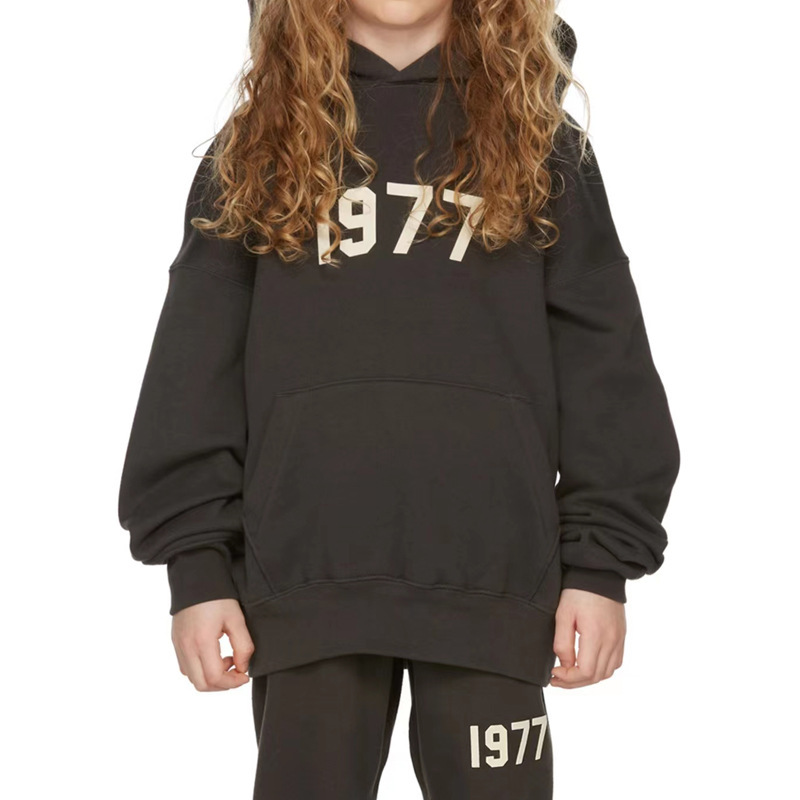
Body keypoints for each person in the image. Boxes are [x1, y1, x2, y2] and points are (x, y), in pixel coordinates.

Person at [117, 1, 681, 797]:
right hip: (308, 583)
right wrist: (197, 568)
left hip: (493, 584)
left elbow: (605, 365)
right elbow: (193, 372)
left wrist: (600, 564)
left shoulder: (543, 146)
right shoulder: (258, 146)